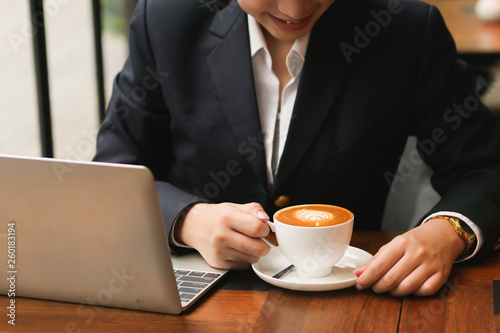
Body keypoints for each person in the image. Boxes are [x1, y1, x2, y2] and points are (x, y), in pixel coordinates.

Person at [94, 0, 500, 296]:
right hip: (201, 296)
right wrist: (186, 221)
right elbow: (113, 172)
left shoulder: (406, 31)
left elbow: (484, 167)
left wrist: (448, 232)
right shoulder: (165, 20)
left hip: (350, 303)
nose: (295, 8)